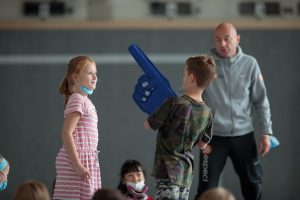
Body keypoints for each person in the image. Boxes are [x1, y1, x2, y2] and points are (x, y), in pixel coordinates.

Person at [195, 22, 274, 200]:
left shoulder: (250, 64)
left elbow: (261, 101)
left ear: (237, 39)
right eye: (218, 40)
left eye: (227, 39)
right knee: (205, 189)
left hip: (244, 136)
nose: (222, 44)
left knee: (253, 185)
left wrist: (266, 132)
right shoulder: (205, 64)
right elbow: (191, 96)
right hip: (213, 139)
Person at [144, 55, 216, 200]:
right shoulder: (208, 112)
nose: (183, 78)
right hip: (186, 173)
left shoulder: (174, 103)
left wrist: (156, 107)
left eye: (184, 75)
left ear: (191, 78)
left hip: (167, 170)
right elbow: (203, 144)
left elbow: (148, 125)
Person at [53, 56, 101, 200]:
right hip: (76, 159)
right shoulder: (77, 99)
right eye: (89, 73)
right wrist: (77, 164)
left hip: (87, 158)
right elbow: (66, 133)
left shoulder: (85, 100)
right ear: (75, 77)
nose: (94, 77)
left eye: (95, 73)